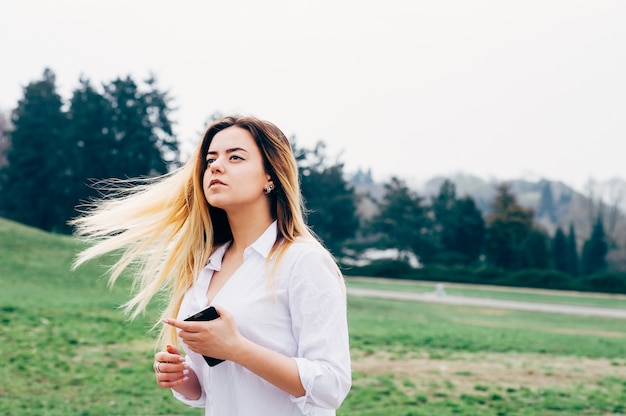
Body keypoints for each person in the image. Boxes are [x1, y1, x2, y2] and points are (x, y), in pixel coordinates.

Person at [71, 115, 352, 415]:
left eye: (235, 157)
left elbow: (331, 386)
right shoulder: (205, 266)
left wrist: (237, 348)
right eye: (210, 159)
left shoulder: (303, 261)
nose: (216, 166)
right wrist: (183, 378)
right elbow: (215, 385)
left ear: (270, 176)